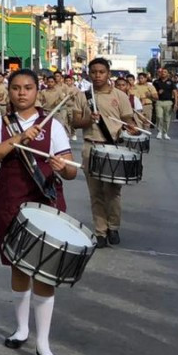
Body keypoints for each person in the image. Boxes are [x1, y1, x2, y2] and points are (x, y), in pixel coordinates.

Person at [0, 68, 78, 355]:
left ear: (37, 91)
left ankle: (43, 342)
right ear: (9, 91)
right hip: (11, 200)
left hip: (46, 200)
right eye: (16, 88)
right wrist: (20, 138)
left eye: (28, 87)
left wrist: (64, 167)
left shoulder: (54, 126)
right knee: (18, 266)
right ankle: (21, 328)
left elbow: (71, 170)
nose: (22, 93)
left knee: (45, 271)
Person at [73, 58, 138, 248]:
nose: (97, 75)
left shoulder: (120, 95)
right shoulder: (83, 96)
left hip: (113, 147)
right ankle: (100, 231)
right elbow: (76, 122)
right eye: (94, 72)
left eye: (101, 72)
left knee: (113, 191)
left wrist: (131, 128)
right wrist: (88, 120)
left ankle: (114, 227)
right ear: (89, 73)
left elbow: (128, 119)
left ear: (109, 74)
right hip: (90, 146)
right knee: (95, 192)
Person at [153, 69, 176, 139]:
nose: (163, 73)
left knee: (167, 118)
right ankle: (159, 132)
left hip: (168, 102)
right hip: (159, 101)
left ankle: (165, 133)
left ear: (168, 74)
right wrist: (157, 93)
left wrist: (176, 103)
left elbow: (175, 92)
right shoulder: (156, 82)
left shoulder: (171, 82)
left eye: (165, 72)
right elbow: (152, 92)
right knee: (159, 117)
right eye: (162, 72)